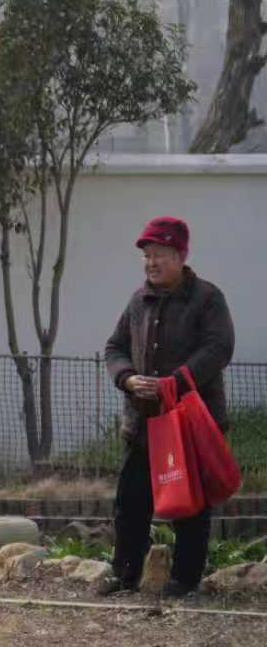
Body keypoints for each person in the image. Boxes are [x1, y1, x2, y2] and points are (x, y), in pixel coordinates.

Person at [97, 216, 234, 598]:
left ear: (181, 256)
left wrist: (176, 382)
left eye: (160, 254)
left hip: (191, 423)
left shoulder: (207, 298)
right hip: (143, 425)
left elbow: (219, 348)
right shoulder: (138, 301)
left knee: (191, 504)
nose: (151, 262)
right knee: (130, 503)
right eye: (147, 255)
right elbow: (114, 347)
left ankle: (185, 580)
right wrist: (127, 378)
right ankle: (125, 574)